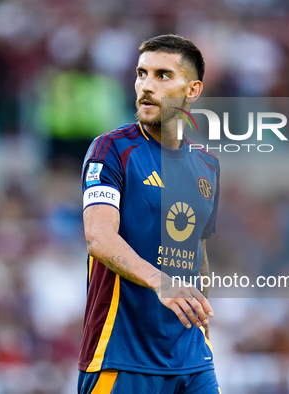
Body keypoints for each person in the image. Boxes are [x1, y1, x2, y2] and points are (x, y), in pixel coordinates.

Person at [78, 35, 221, 393]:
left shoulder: (207, 166)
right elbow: (99, 237)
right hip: (122, 355)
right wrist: (162, 282)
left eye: (162, 76)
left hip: (192, 358)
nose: (146, 86)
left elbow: (197, 253)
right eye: (142, 74)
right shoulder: (111, 150)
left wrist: (203, 328)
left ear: (192, 90)